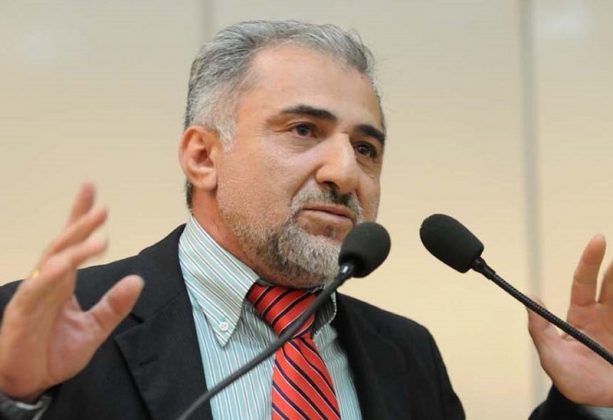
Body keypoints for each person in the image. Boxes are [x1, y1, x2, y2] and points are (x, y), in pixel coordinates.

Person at [0, 20, 611, 420]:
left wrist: (585, 404)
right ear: (203, 156)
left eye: (366, 148)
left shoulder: (406, 355)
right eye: (303, 130)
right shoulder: (46, 330)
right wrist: (13, 398)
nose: (345, 173)